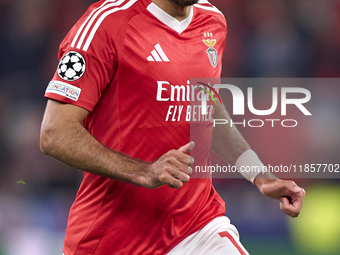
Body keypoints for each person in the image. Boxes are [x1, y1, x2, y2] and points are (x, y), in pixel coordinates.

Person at [40, 0, 306, 254]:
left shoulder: (213, 22)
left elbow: (205, 109)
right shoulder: (106, 24)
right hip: (112, 239)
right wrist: (144, 171)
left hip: (197, 226)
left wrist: (259, 175)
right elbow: (54, 133)